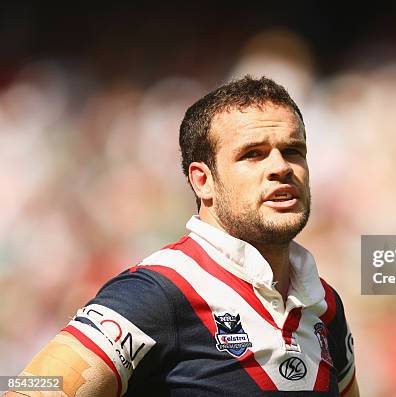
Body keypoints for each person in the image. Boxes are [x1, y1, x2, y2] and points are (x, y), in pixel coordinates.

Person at [6, 76, 359, 397]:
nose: (281, 167)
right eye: (253, 154)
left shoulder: (325, 305)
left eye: (293, 150)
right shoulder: (158, 292)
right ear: (202, 181)